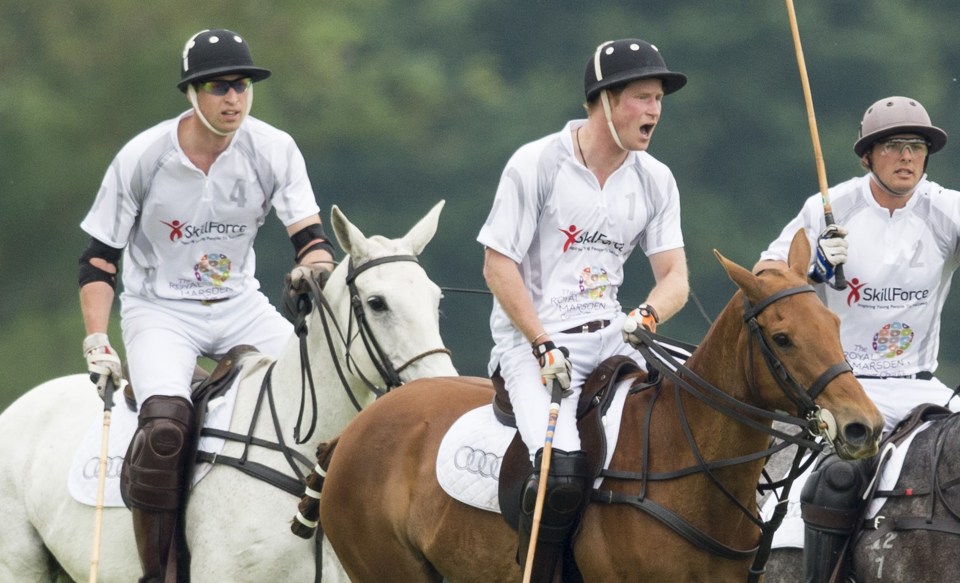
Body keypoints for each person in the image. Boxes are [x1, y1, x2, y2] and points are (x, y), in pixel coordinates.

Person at [78, 28, 335, 582]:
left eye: (242, 85)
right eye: (219, 87)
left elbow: (311, 240)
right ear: (192, 93)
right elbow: (99, 260)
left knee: (325, 387)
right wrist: (98, 340)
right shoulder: (143, 157)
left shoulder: (273, 148)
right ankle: (160, 569)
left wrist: (313, 270)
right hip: (160, 312)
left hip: (241, 304)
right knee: (166, 426)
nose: (234, 98)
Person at [477, 38, 690, 581]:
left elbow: (675, 278)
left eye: (659, 100)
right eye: (643, 98)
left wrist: (647, 315)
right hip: (536, 344)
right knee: (561, 469)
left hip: (614, 335)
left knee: (686, 425)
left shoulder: (655, 178)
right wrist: (540, 341)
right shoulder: (537, 163)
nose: (655, 112)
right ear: (606, 100)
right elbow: (497, 267)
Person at [755, 96, 960, 582]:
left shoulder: (946, 209)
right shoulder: (830, 207)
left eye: (917, 146)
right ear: (867, 156)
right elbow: (766, 272)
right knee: (835, 482)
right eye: (893, 146)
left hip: (921, 386)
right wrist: (809, 269)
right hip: (844, 388)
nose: (907, 157)